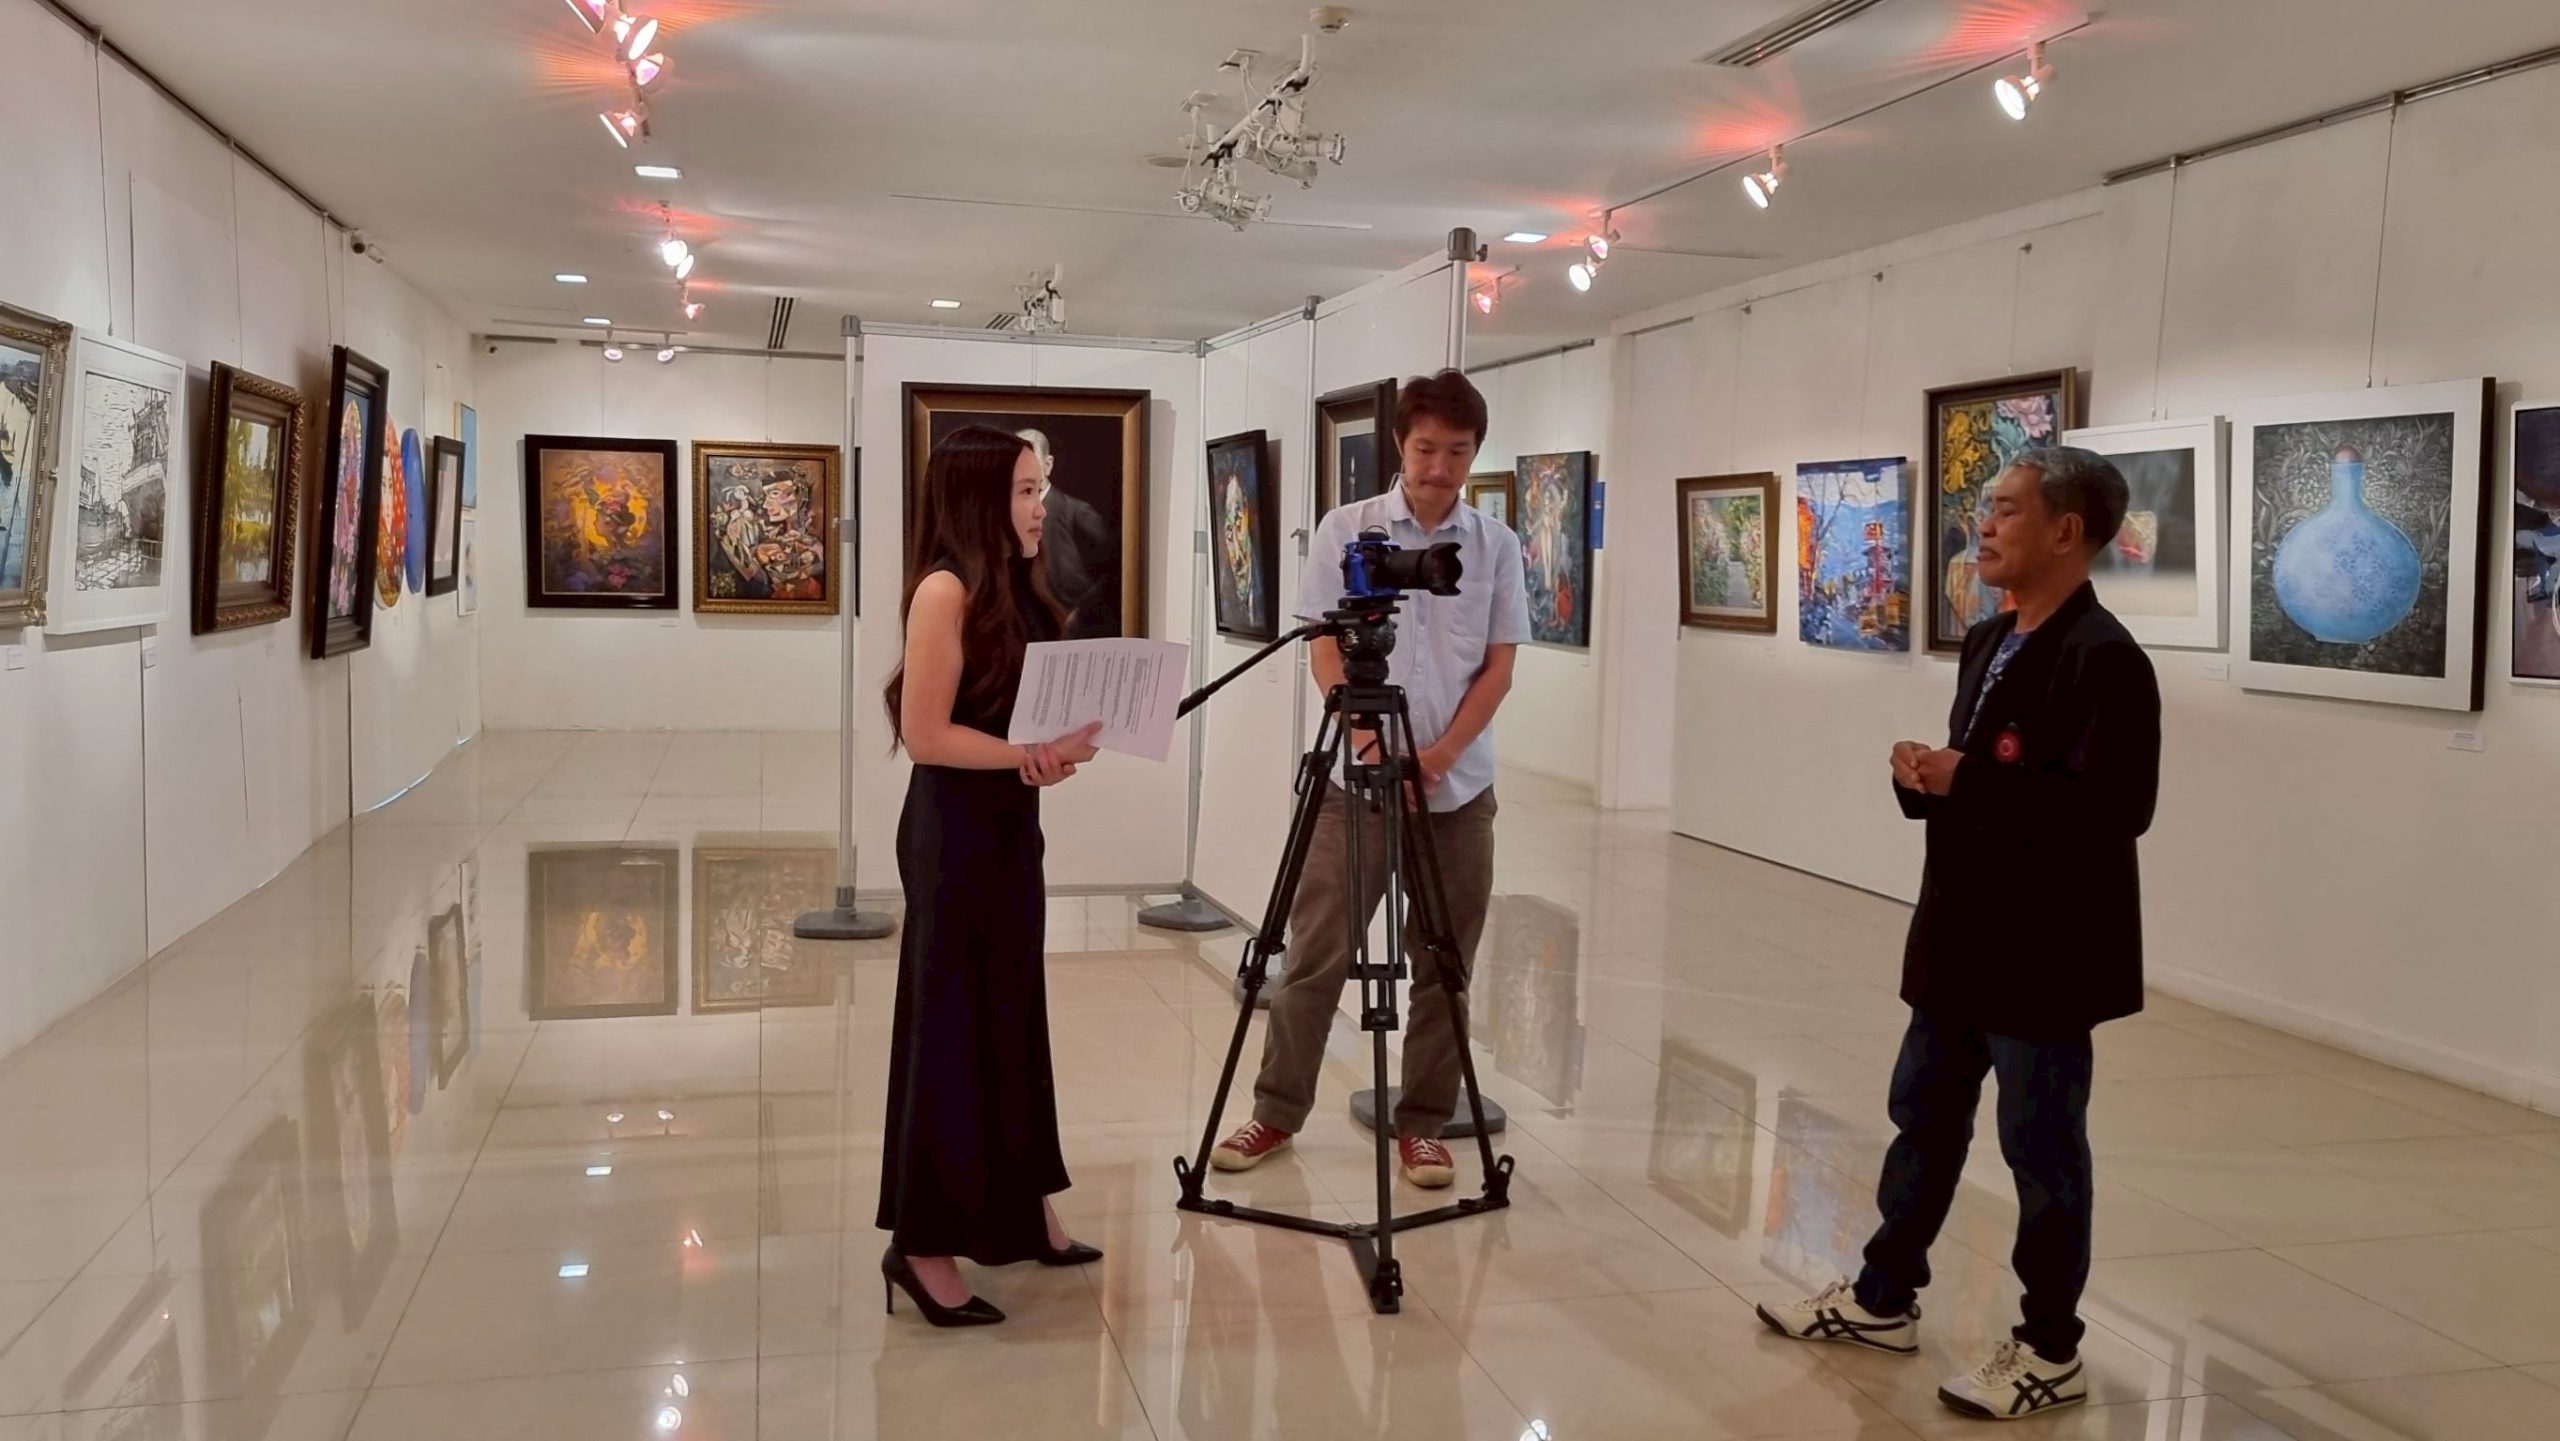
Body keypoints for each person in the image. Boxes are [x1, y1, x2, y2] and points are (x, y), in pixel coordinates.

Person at [1758, 447, 2162, 1423]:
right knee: (1923, 1118)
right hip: (1961, 934)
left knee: (2040, 1150)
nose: (1982, 525)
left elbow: (2115, 810)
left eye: (2005, 509)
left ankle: (2051, 1347)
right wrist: (1923, 777)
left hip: (2044, 952)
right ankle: (1883, 1296)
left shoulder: (2104, 658)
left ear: (2065, 530)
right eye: (1985, 506)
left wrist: (1964, 777)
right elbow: (1982, 784)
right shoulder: (1989, 639)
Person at [1211, 370, 1531, 1189]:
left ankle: (1423, 1125)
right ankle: (1276, 1111)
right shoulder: (1346, 529)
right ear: (1400, 443)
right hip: (1354, 785)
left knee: (1445, 964)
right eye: (1425, 449)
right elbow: (1324, 646)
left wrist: (1439, 756)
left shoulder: (1494, 545)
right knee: (1315, 953)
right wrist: (1369, 742)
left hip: (1458, 791)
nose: (1439, 467)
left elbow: (1498, 668)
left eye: (1457, 451)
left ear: (1474, 453)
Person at [876, 424, 1106, 1328]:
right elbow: (927, 735)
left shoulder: (1015, 582)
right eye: (1023, 490)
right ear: (979, 499)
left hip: (1009, 825)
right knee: (950, 1029)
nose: (1040, 505)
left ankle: (1024, 1207)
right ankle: (920, 1244)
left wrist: (1052, 751)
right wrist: (1026, 755)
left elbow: (1014, 721)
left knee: (1012, 1017)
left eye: (1038, 487)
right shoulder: (945, 590)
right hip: (954, 834)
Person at [1016, 427, 1119, 639]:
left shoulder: (1077, 513)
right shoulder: (1005, 514)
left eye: (1030, 461)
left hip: (1069, 630)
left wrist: (1080, 613)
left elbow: (1115, 571)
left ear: (1047, 465)